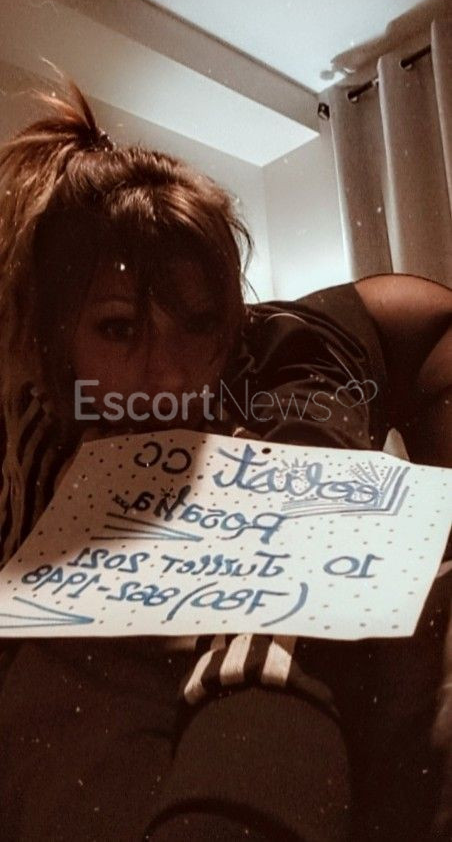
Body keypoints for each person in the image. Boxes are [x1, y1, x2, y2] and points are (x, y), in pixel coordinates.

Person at [0, 79, 450, 842]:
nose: (171, 375)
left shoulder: (276, 373)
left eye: (199, 325)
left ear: (230, 323)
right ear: (55, 339)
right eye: (119, 330)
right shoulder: (31, 426)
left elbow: (287, 606)